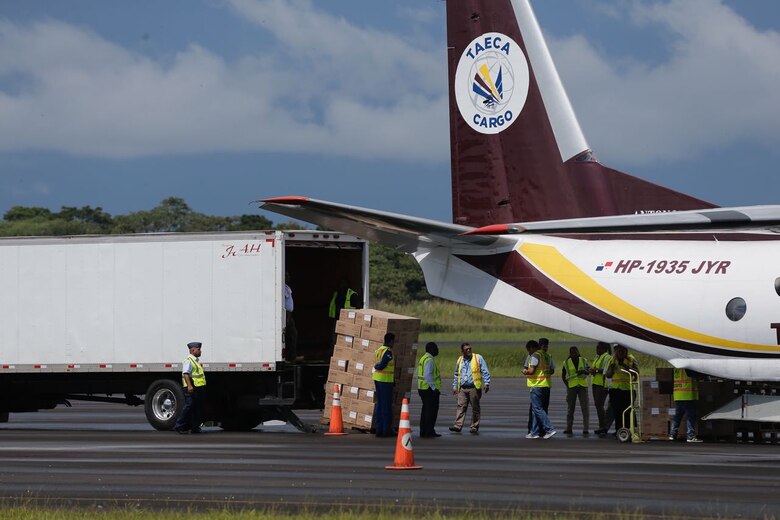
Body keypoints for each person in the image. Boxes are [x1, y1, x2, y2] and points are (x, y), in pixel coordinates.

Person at [450, 342, 491, 434]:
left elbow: (485, 371)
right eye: (466, 349)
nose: (469, 350)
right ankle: (457, 426)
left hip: (474, 388)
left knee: (475, 408)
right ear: (462, 351)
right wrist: (454, 386)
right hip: (462, 388)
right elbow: (456, 374)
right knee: (461, 407)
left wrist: (487, 383)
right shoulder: (460, 360)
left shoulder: (478, 358)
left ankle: (474, 426)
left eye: (470, 349)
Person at [523, 340, 556, 439]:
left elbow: (532, 370)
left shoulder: (535, 356)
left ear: (532, 348)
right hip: (546, 385)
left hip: (537, 385)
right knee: (536, 409)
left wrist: (525, 371)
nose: (529, 353)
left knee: (537, 409)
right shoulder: (546, 355)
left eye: (529, 350)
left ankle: (549, 429)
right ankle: (535, 432)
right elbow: (552, 369)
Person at [605, 344, 639, 436]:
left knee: (629, 411)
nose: (620, 353)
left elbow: (636, 374)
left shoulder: (631, 359)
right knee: (617, 412)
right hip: (615, 390)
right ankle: (619, 430)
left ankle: (632, 430)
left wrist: (627, 367)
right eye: (618, 351)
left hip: (628, 389)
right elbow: (608, 375)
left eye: (622, 351)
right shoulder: (613, 360)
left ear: (626, 351)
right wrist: (611, 368)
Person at [174, 341, 206, 434]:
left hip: (197, 388)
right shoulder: (189, 360)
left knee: (196, 408)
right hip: (192, 388)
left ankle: (195, 427)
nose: (200, 351)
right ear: (193, 350)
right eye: (199, 349)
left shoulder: (195, 361)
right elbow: (186, 374)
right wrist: (190, 386)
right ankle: (179, 425)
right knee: (189, 406)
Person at [561, 346, 590, 436]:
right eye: (572, 352)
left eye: (575, 352)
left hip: (582, 386)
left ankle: (586, 428)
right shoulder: (566, 362)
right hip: (572, 387)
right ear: (570, 353)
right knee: (570, 408)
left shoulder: (584, 360)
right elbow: (563, 375)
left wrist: (584, 371)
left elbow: (588, 371)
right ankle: (569, 427)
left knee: (585, 408)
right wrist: (567, 386)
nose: (574, 354)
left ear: (578, 352)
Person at [669, 368, 703, 443]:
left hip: (678, 395)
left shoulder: (677, 368)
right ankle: (690, 435)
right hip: (687, 395)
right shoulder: (688, 367)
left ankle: (672, 434)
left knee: (677, 416)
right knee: (691, 416)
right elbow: (697, 374)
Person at [372, 332, 395, 437]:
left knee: (379, 405)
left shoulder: (379, 350)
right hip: (385, 381)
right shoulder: (388, 352)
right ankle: (386, 430)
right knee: (386, 406)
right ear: (390, 341)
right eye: (393, 341)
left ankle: (379, 429)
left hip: (377, 379)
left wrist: (376, 367)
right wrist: (377, 366)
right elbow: (382, 365)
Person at [417, 342, 442, 438]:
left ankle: (423, 430)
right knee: (431, 411)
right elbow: (427, 375)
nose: (437, 350)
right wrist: (434, 388)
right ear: (431, 349)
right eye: (436, 348)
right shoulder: (430, 360)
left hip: (422, 388)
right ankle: (429, 431)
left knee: (425, 411)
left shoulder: (423, 358)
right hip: (429, 390)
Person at [590, 341, 614, 437]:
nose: (596, 349)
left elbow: (606, 370)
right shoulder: (597, 357)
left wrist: (595, 370)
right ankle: (603, 426)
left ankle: (603, 426)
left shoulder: (608, 357)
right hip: (595, 383)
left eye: (598, 348)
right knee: (598, 405)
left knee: (599, 405)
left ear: (603, 348)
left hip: (602, 384)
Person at [284, 271, 298, 362]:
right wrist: (287, 318)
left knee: (292, 335)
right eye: (287, 275)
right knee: (291, 335)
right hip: (286, 315)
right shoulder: (283, 288)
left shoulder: (286, 287)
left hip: (289, 315)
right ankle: (291, 357)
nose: (289, 277)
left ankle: (291, 356)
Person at [538, 337, 555, 414]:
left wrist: (549, 372)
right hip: (538, 385)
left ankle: (543, 425)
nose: (545, 348)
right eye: (544, 346)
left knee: (544, 407)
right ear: (539, 346)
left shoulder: (548, 356)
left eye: (546, 346)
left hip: (546, 385)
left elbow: (552, 370)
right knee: (538, 407)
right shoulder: (535, 355)